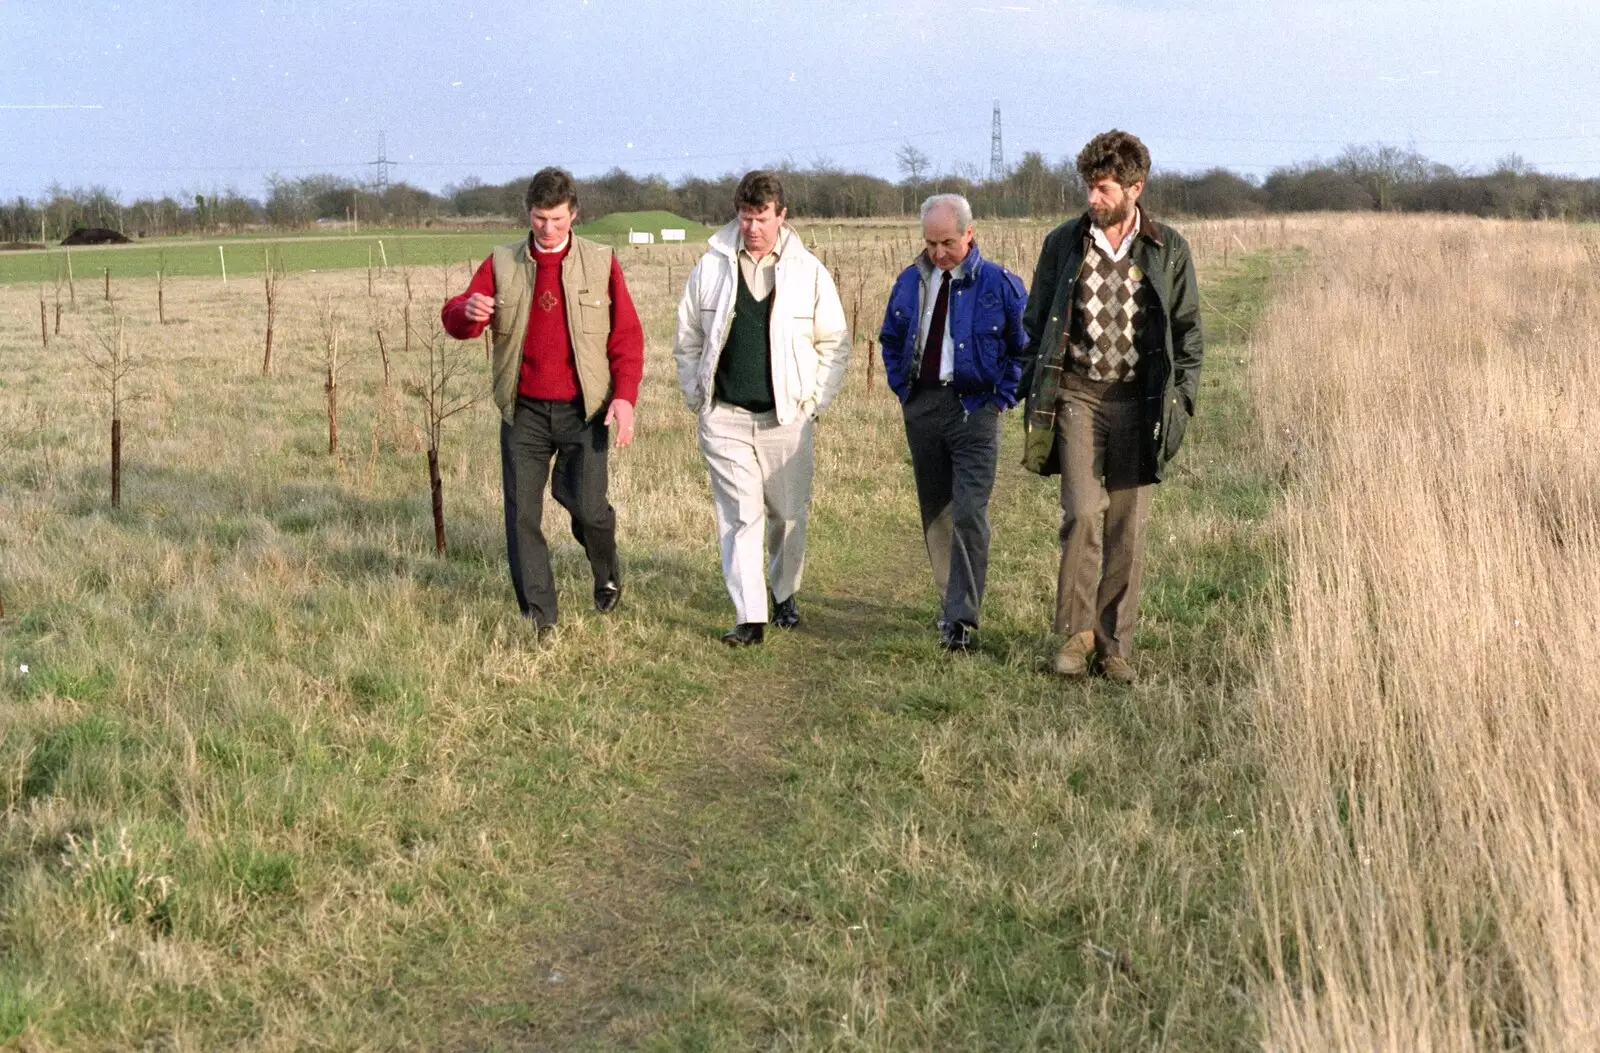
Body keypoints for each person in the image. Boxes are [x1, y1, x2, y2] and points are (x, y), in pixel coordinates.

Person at [1019, 130, 1204, 683]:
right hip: (1076, 394)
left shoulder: (1168, 247)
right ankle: (1074, 639)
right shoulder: (1063, 243)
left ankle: (1113, 645)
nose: (1092, 199)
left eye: (1102, 189)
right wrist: (1037, 385)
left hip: (1139, 402)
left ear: (1134, 188)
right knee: (1081, 513)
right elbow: (1037, 322)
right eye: (1089, 188)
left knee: (1128, 526)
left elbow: (1190, 332)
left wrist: (1182, 401)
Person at [442, 167, 644, 630]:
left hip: (584, 411)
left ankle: (606, 571)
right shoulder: (501, 263)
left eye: (556, 219)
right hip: (524, 411)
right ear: (527, 215)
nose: (547, 229)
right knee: (521, 518)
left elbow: (627, 337)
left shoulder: (600, 261)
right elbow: (458, 318)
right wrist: (466, 312)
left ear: (574, 214)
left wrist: (625, 398)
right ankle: (539, 616)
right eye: (538, 218)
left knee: (589, 509)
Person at [672, 170, 851, 646]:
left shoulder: (808, 271)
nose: (753, 227)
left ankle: (784, 592)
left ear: (781, 215)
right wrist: (697, 396)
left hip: (786, 420)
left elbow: (835, 341)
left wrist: (813, 402)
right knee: (739, 516)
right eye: (746, 216)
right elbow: (688, 336)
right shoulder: (710, 267)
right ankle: (750, 618)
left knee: (787, 514)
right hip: (726, 416)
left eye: (762, 217)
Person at [879, 193, 1029, 651]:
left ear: (970, 232)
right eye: (930, 243)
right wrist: (904, 391)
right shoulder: (908, 281)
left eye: (947, 241)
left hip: (976, 411)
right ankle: (949, 608)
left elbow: (1025, 348)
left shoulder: (1001, 284)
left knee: (969, 512)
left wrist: (1002, 397)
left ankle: (963, 619)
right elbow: (891, 337)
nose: (939, 252)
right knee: (937, 510)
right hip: (923, 407)